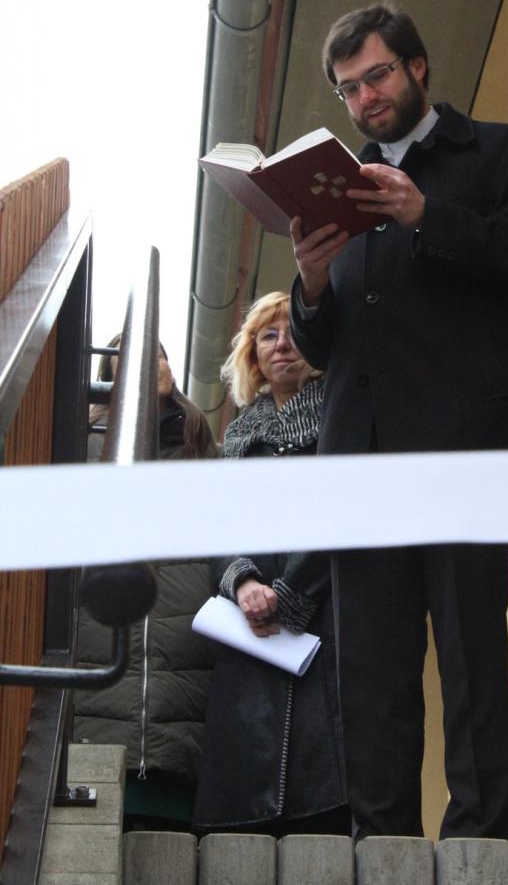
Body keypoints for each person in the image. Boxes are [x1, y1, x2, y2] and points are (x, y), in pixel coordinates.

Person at [288, 0, 508, 842]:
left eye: (376, 75)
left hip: (467, 453)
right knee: (370, 672)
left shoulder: (502, 152)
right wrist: (311, 285)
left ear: (417, 66)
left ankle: (479, 845)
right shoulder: (341, 186)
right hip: (362, 463)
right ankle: (383, 849)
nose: (365, 98)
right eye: (348, 88)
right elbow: (324, 345)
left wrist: (427, 217)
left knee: (470, 656)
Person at [193, 291, 349, 837]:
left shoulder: (344, 418)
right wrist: (242, 582)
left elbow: (344, 514)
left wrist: (288, 595)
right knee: (245, 808)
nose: (282, 344)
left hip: (328, 619)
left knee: (325, 793)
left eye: (293, 332)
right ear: (253, 357)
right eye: (268, 335)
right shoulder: (236, 440)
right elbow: (217, 530)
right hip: (250, 631)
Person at [75, 339, 218, 832]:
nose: (147, 361)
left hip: (184, 683)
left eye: (156, 352)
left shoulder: (206, 455)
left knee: (172, 843)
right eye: (127, 354)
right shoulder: (80, 451)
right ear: (107, 377)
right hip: (97, 677)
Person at [87, 335, 218, 461]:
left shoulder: (195, 427)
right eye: (131, 361)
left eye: (157, 356)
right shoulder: (100, 437)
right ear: (112, 385)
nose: (149, 365)